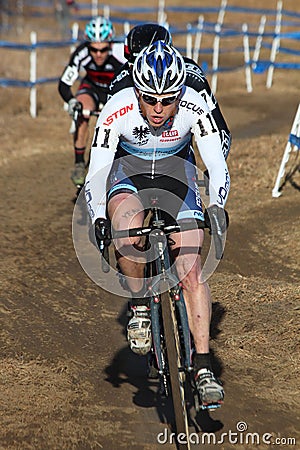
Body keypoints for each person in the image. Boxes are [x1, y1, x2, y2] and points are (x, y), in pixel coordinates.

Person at [85, 41, 230, 406]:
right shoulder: (117, 107)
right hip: (130, 172)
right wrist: (99, 215)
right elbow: (97, 169)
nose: (159, 109)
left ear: (181, 92)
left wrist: (217, 205)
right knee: (125, 225)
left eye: (168, 100)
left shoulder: (195, 102)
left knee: (192, 269)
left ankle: (202, 363)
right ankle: (139, 307)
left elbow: (216, 164)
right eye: (150, 99)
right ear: (137, 91)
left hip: (176, 174)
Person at [109, 23, 231, 161]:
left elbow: (221, 131)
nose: (135, 70)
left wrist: (212, 175)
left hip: (178, 157)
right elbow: (109, 139)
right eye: (131, 63)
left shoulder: (191, 75)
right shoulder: (121, 80)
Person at [58, 16, 123, 187]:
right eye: (94, 50)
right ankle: (79, 163)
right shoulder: (81, 53)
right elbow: (64, 84)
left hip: (114, 91)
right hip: (92, 89)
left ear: (110, 44)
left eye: (103, 50)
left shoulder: (121, 52)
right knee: (82, 109)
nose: (98, 54)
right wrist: (71, 102)